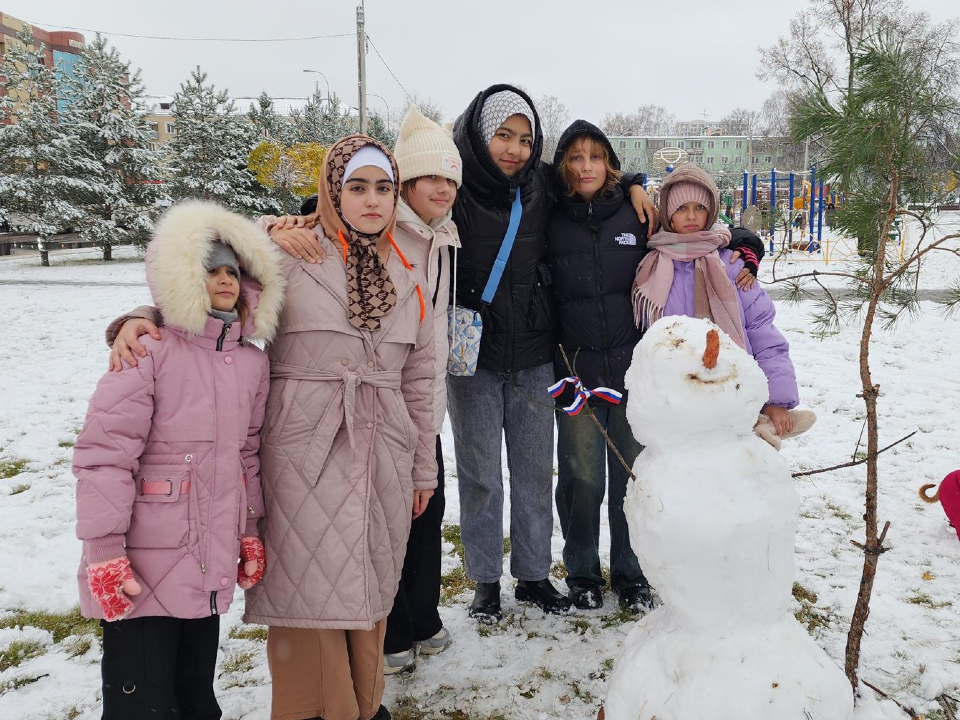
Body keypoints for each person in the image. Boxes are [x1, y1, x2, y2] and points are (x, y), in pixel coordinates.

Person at [104, 136, 438, 720]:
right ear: (332, 192)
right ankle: (314, 709)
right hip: (303, 442)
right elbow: (208, 296)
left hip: (382, 442)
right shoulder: (289, 251)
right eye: (356, 187)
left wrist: (422, 465)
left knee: (370, 581)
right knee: (309, 584)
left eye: (383, 188)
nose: (371, 200)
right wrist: (143, 317)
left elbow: (420, 378)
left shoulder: (411, 266)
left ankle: (364, 703)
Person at [447, 85, 657, 622]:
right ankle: (486, 581)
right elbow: (395, 199)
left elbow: (595, 172)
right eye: (503, 136)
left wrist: (634, 182)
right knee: (479, 473)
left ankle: (535, 575)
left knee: (537, 471)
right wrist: (308, 216)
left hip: (538, 351)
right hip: (473, 354)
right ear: (478, 135)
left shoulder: (541, 186)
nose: (515, 149)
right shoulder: (455, 185)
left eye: (524, 139)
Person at [73, 200, 283, 720]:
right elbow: (103, 456)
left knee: (195, 697)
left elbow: (247, 454)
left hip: (205, 559)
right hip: (140, 565)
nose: (225, 280)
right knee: (141, 701)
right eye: (209, 270)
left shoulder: (251, 364)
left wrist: (249, 528)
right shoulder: (148, 350)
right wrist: (103, 549)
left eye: (233, 271)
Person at [547, 123, 765, 613]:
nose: (586, 167)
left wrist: (750, 244)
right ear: (562, 164)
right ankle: (582, 572)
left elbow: (697, 232)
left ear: (610, 164)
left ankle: (631, 572)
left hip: (632, 372)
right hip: (575, 368)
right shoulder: (550, 212)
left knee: (633, 475)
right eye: (575, 158)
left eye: (597, 157)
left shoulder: (635, 212)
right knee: (582, 479)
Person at [632, 165, 814, 447]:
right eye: (681, 208)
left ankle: (758, 425)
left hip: (732, 390)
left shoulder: (731, 266)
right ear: (667, 213)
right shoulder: (649, 270)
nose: (691, 216)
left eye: (699, 207)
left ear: (712, 210)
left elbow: (762, 333)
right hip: (675, 403)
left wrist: (777, 400)